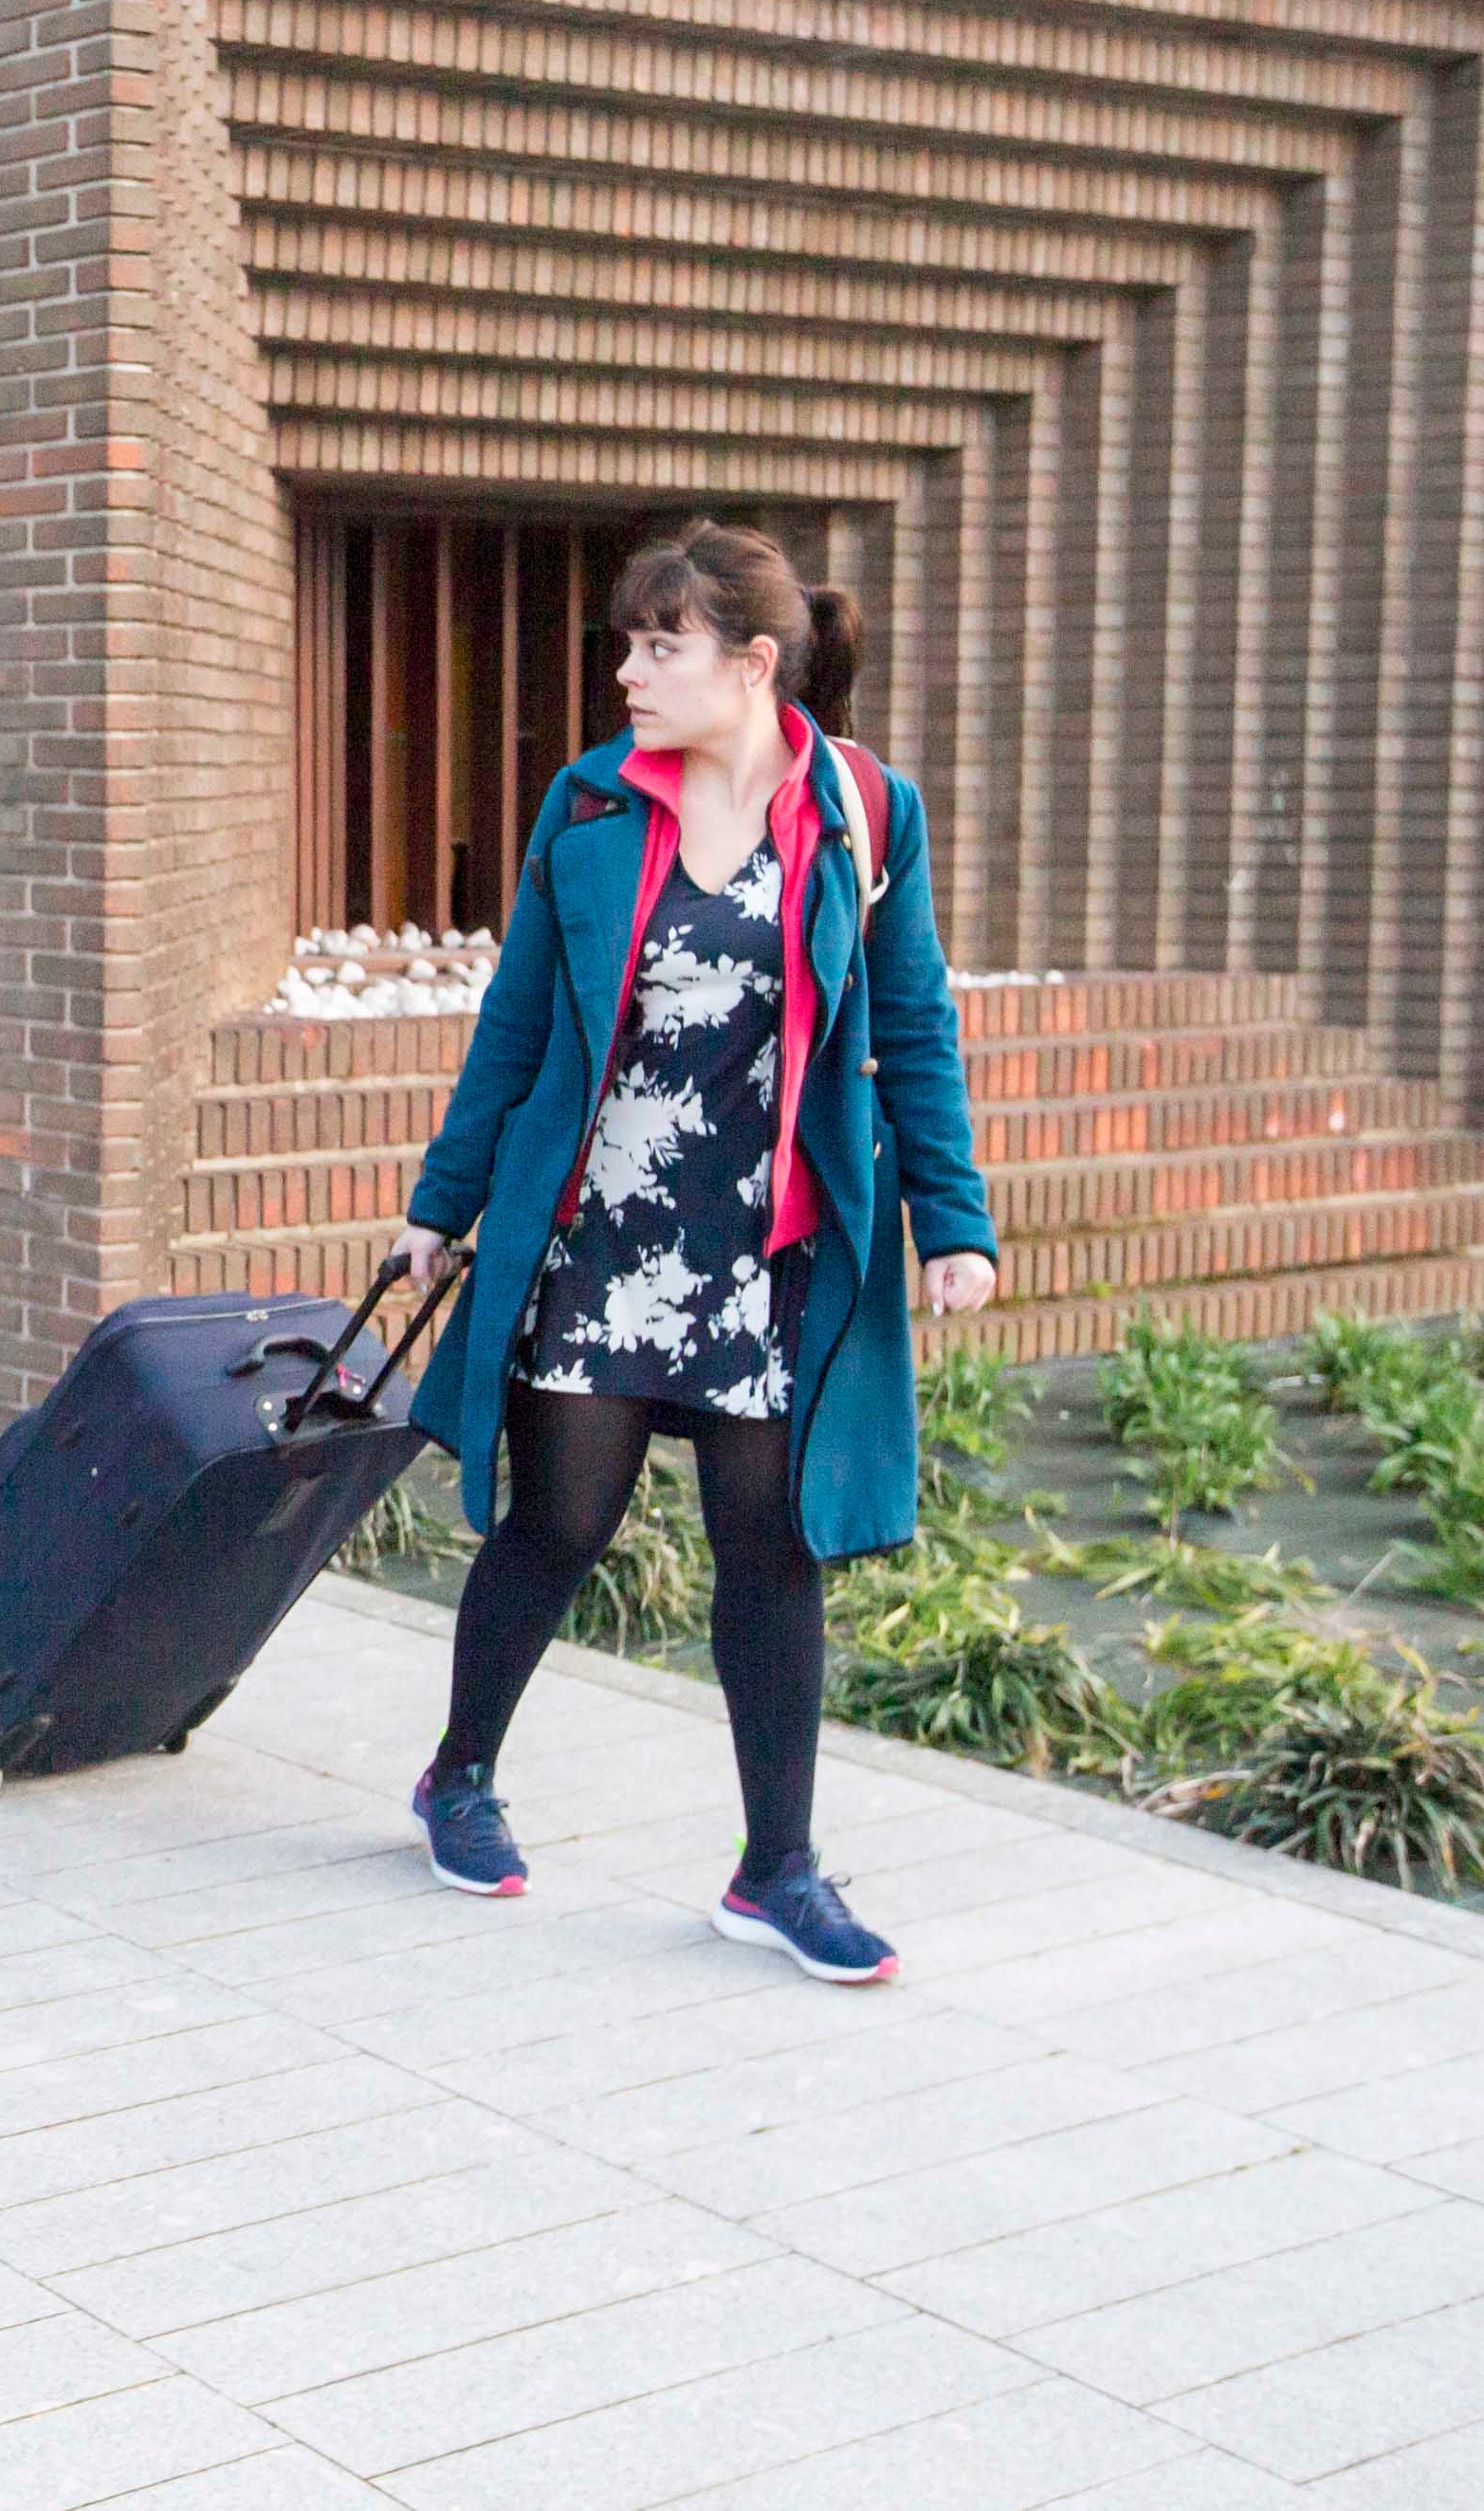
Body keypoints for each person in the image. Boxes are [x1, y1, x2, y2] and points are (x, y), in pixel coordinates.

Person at [383, 523, 997, 1984]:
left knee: (770, 1551)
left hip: (766, 1249)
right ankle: (457, 1776)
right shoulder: (592, 807)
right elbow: (520, 1023)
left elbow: (913, 1022)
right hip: (596, 1234)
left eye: (662, 646)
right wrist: (441, 1200)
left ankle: (775, 1869)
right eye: (630, 642)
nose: (627, 671)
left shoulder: (864, 814)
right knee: (562, 1524)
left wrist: (956, 1220)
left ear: (754, 663)